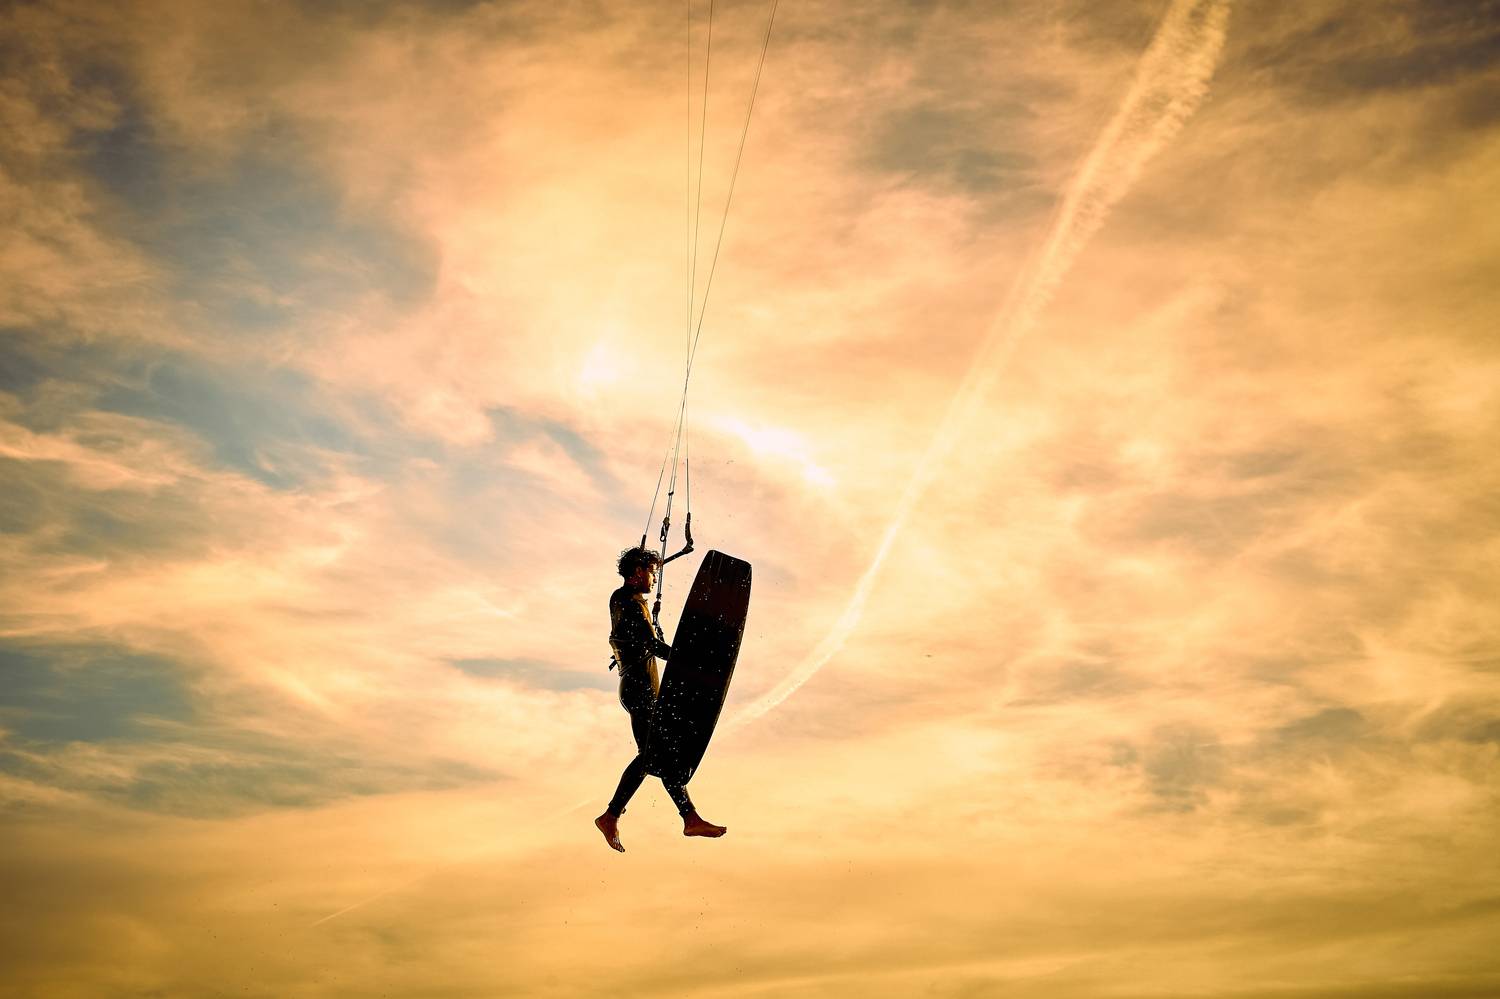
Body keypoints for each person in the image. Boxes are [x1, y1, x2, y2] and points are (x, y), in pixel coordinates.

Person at [594, 545, 727, 851]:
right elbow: (651, 645)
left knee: (659, 755)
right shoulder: (628, 603)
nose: (654, 579)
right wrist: (690, 660)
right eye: (651, 573)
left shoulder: (624, 599)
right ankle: (612, 816)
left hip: (638, 688)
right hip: (639, 688)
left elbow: (642, 639)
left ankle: (689, 818)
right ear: (638, 572)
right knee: (651, 755)